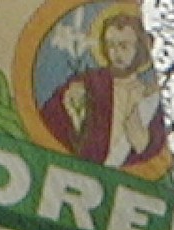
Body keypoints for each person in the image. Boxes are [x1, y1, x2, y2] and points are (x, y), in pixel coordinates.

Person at [39, 10, 164, 168]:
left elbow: (154, 152)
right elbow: (51, 116)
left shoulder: (148, 96)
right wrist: (72, 112)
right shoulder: (90, 83)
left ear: (138, 48)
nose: (116, 53)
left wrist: (144, 142)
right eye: (111, 45)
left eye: (124, 46)